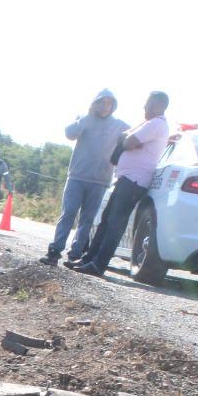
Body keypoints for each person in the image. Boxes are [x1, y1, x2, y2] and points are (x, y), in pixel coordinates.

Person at [71, 91, 170, 276]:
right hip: (127, 179)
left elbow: (129, 141)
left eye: (148, 104)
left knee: (115, 224)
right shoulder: (150, 123)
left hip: (134, 181)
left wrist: (125, 138)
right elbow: (126, 138)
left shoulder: (157, 124)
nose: (144, 107)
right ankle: (88, 259)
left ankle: (98, 264)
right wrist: (125, 138)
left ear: (157, 106)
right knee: (106, 220)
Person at [42, 89, 128, 265]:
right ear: (94, 103)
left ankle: (75, 254)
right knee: (68, 213)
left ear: (113, 106)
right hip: (77, 176)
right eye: (101, 102)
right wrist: (87, 117)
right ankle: (55, 251)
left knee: (87, 219)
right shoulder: (83, 118)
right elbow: (69, 133)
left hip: (100, 180)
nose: (105, 106)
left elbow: (137, 133)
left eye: (109, 103)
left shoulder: (119, 125)